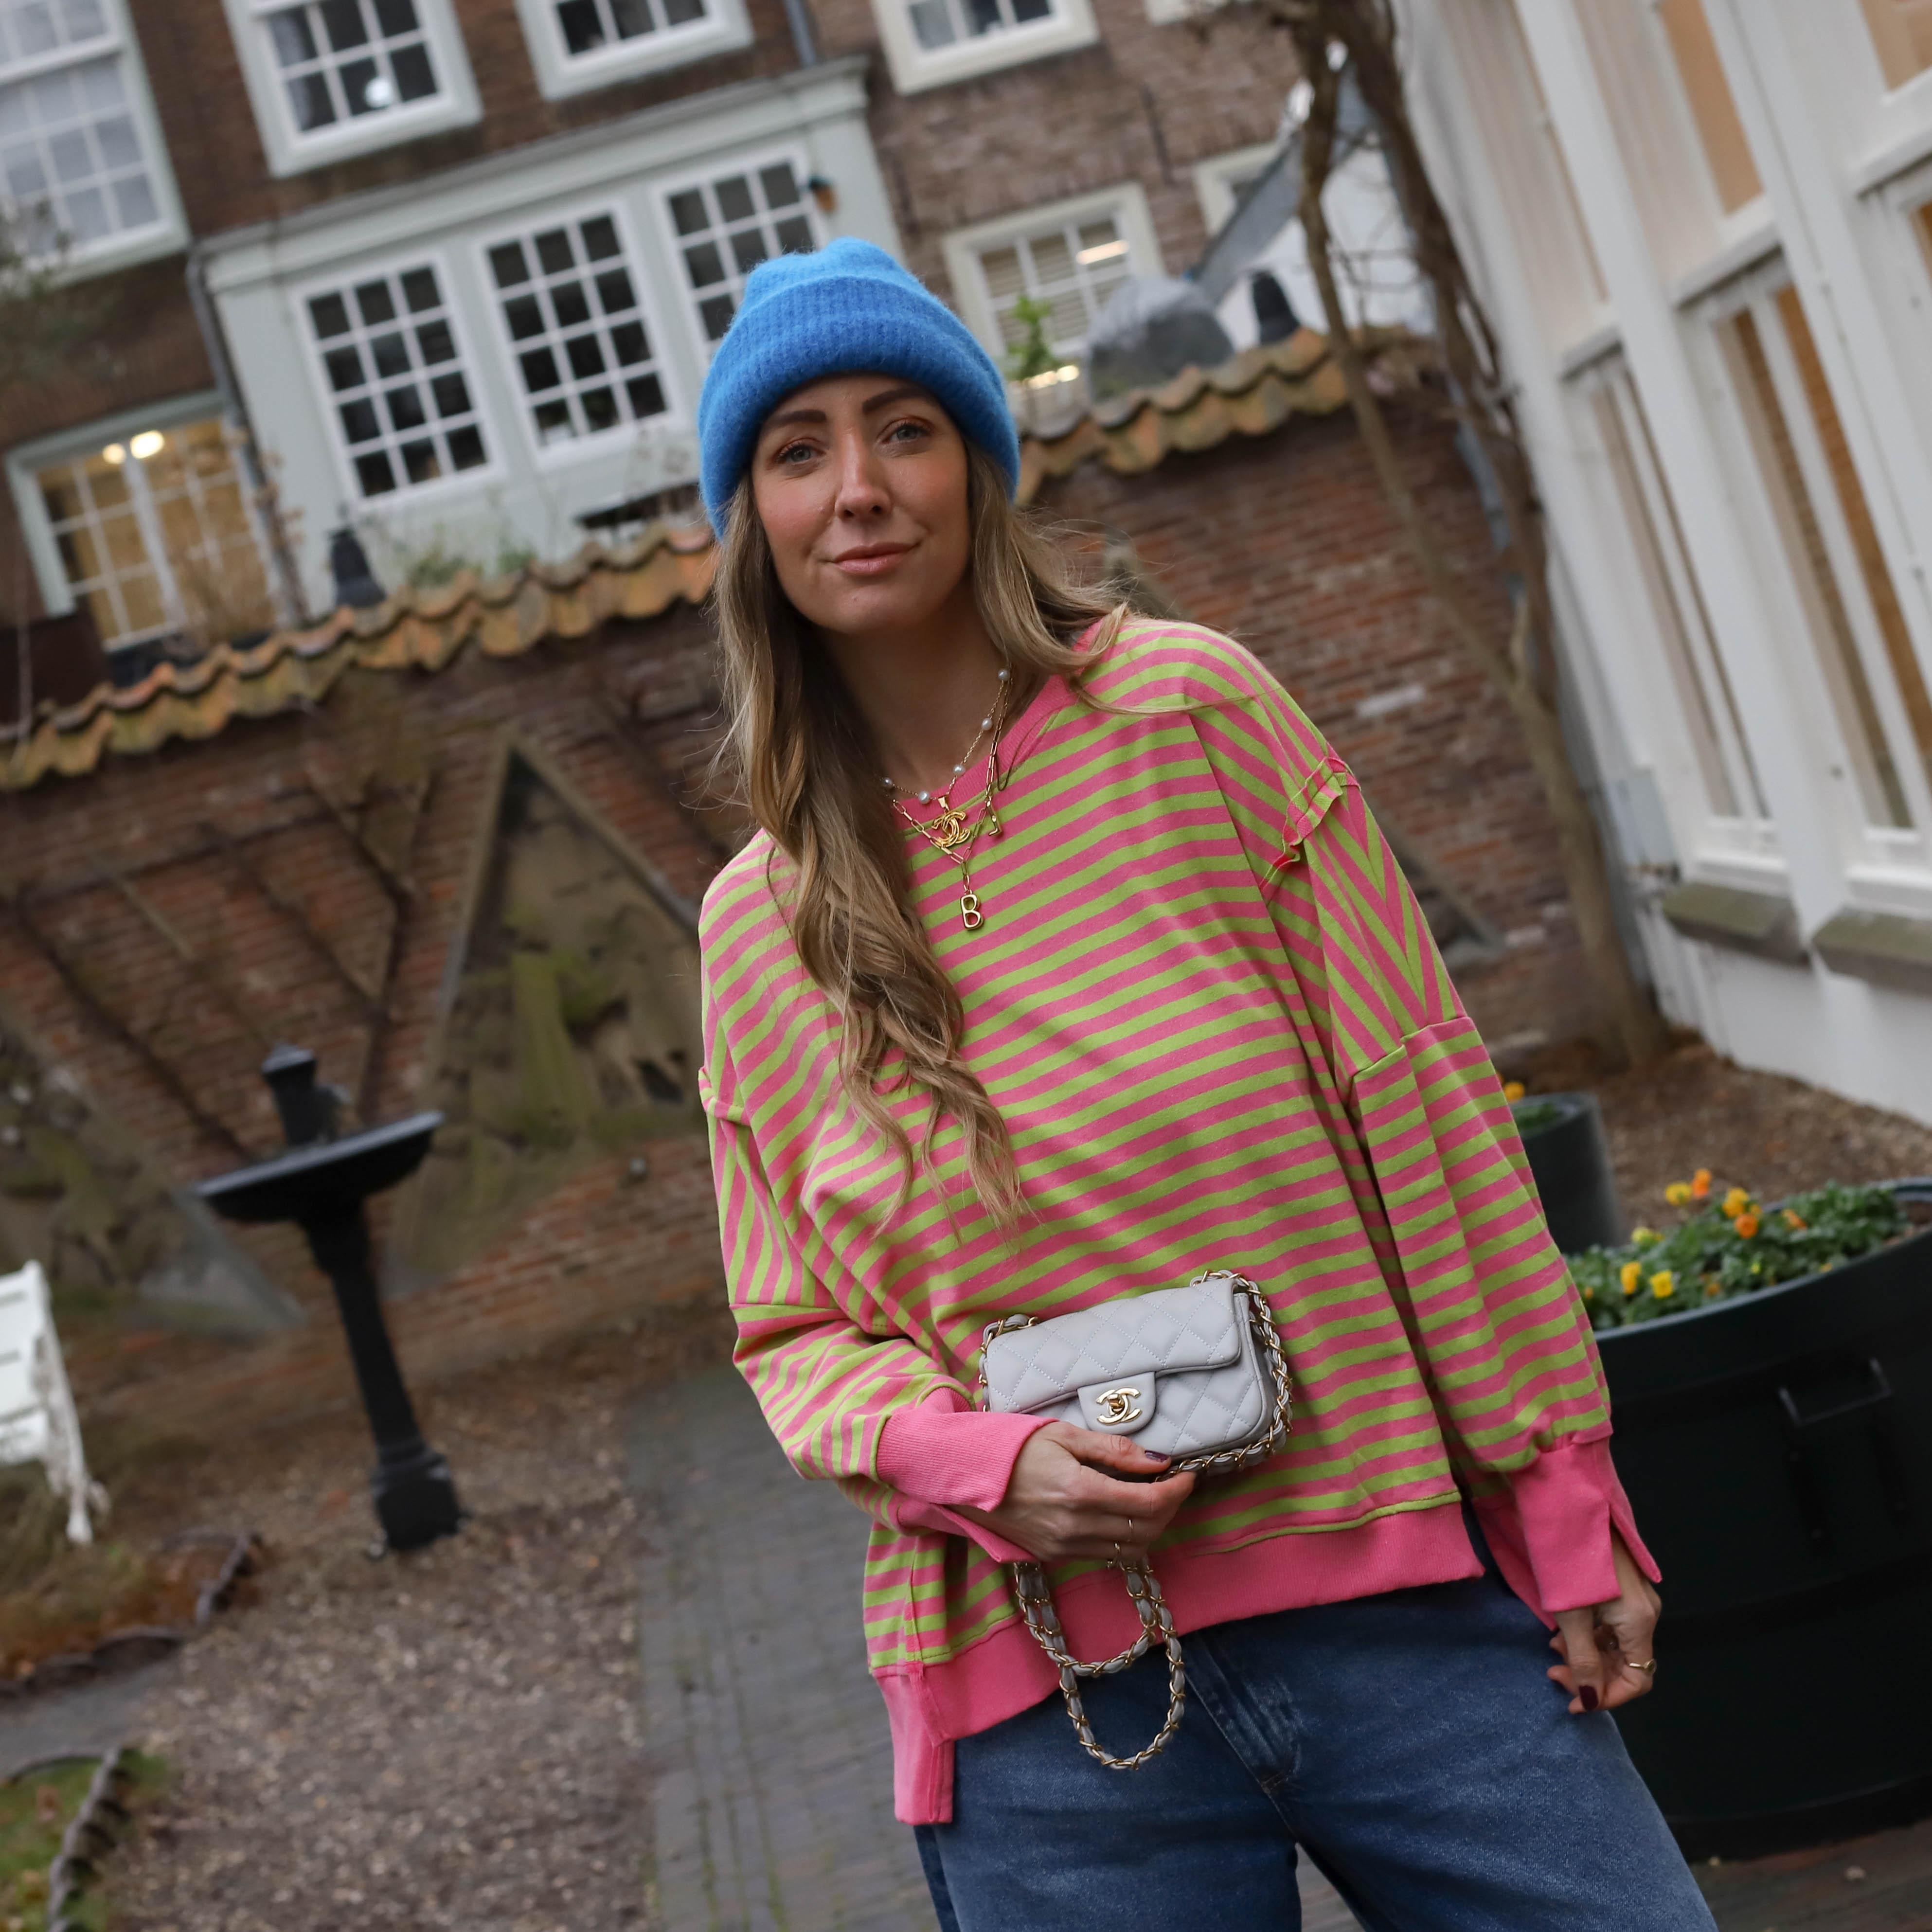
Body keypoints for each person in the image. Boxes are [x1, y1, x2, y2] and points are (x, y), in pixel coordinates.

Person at [694, 238, 1716, 1932]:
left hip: (1403, 1616)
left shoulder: (1189, 715)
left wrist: (1557, 1490)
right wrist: (975, 1461)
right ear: (753, 521)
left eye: (903, 429)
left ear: (976, 470)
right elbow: (794, 1334)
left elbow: (1424, 1120)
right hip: (1049, 1713)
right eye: (798, 450)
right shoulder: (758, 926)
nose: (857, 486)